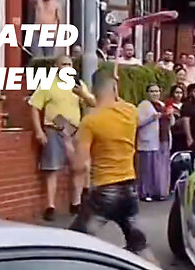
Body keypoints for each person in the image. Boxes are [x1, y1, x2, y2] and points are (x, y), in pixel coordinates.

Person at [67, 70, 159, 265]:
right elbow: (108, 106)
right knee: (139, 245)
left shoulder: (90, 122)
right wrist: (88, 97)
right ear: (116, 88)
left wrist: (71, 142)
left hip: (104, 192)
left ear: (93, 89)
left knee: (74, 242)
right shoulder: (130, 111)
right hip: (129, 188)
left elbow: (78, 166)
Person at [28, 55, 96, 221]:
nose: (67, 67)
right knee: (52, 169)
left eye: (69, 64)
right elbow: (34, 107)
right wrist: (39, 131)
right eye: (63, 64)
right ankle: (50, 206)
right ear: (57, 67)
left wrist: (83, 94)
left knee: (79, 167)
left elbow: (93, 103)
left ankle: (76, 203)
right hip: (54, 129)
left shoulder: (78, 84)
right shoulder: (48, 84)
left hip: (74, 131)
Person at [136, 84, 174, 202]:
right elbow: (137, 123)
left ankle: (160, 191)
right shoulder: (143, 105)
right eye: (152, 91)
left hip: (163, 139)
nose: (155, 94)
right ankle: (145, 192)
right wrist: (152, 118)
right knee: (147, 168)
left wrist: (170, 115)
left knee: (161, 167)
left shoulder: (162, 105)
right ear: (147, 93)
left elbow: (171, 123)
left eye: (157, 91)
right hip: (148, 141)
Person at [166, 85, 186, 153]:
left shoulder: (185, 105)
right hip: (174, 133)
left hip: (184, 133)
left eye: (180, 93)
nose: (178, 95)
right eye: (177, 92)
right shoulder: (169, 105)